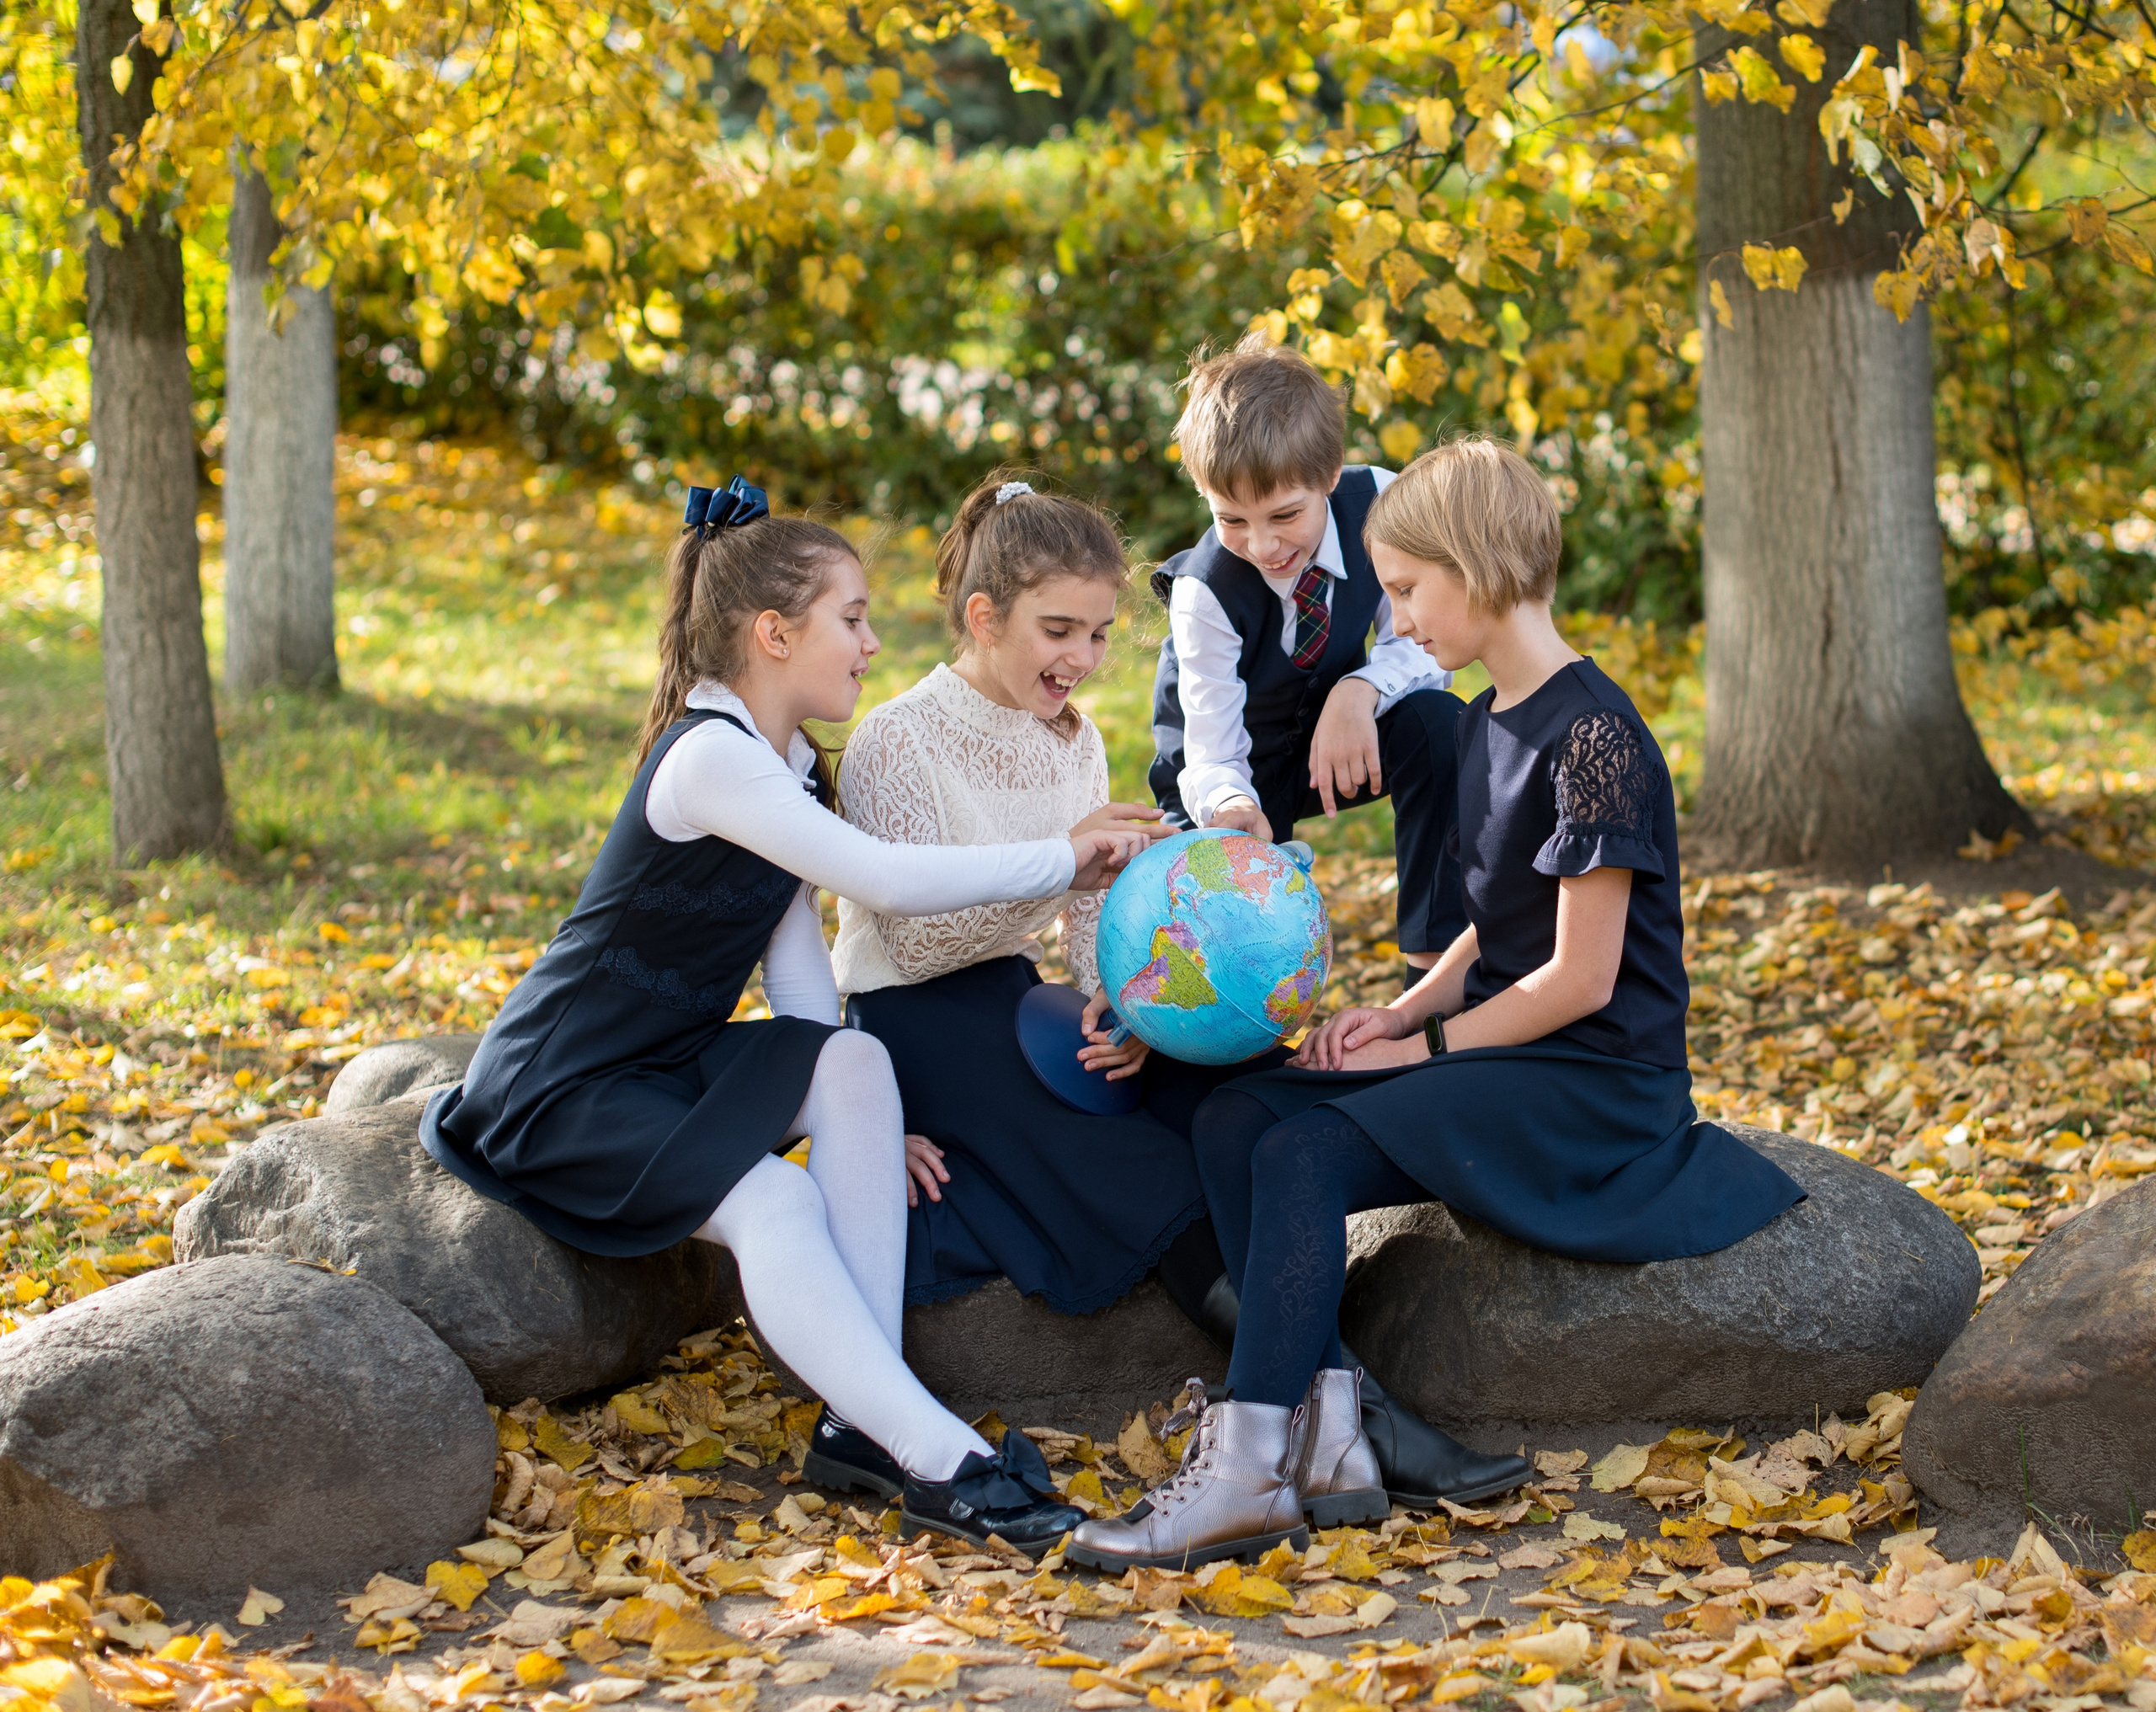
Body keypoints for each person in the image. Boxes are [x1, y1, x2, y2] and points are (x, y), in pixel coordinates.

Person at [1070, 438, 1809, 1571]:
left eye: (1409, 590)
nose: (1397, 619)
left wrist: (1422, 1059)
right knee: (1234, 1115)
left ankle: (1244, 1472)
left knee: (1304, 1150)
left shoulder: (1595, 737)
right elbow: (1497, 928)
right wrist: (1402, 1016)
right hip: (1510, 1053)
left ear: (1479, 566)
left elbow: (1581, 977)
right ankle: (1327, 1445)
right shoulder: (1493, 719)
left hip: (1595, 1082)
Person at [420, 477, 1146, 1552]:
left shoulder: (788, 771)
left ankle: (864, 1422)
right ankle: (940, 1454)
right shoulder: (709, 755)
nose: (868, 641)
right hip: (563, 1083)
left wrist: (854, 1122)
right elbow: (882, 879)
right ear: (772, 632)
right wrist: (1066, 853)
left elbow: (799, 974)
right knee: (770, 1201)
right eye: (849, 618)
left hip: (666, 1061)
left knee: (855, 1068)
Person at [835, 472, 1262, 1330]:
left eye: (1100, 633)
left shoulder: (1078, 739)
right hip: (909, 1016)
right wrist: (1064, 864)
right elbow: (918, 945)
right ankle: (1310, 1383)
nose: (1082, 657)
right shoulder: (893, 737)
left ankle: (1306, 1300)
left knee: (1220, 1089)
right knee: (1123, 1160)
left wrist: (1130, 1006)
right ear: (985, 616)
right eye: (1057, 630)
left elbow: (1090, 919)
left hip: (1018, 995)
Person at [1148, 332, 1469, 987]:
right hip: (1229, 773)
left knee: (1440, 724)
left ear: (1328, 475)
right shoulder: (1205, 590)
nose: (1262, 544)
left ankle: (1431, 980)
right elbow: (1211, 753)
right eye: (1230, 519)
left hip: (1336, 739)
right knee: (1225, 960)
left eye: (1284, 514)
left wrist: (1361, 689)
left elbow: (1427, 645)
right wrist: (1234, 810)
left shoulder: (1380, 502)